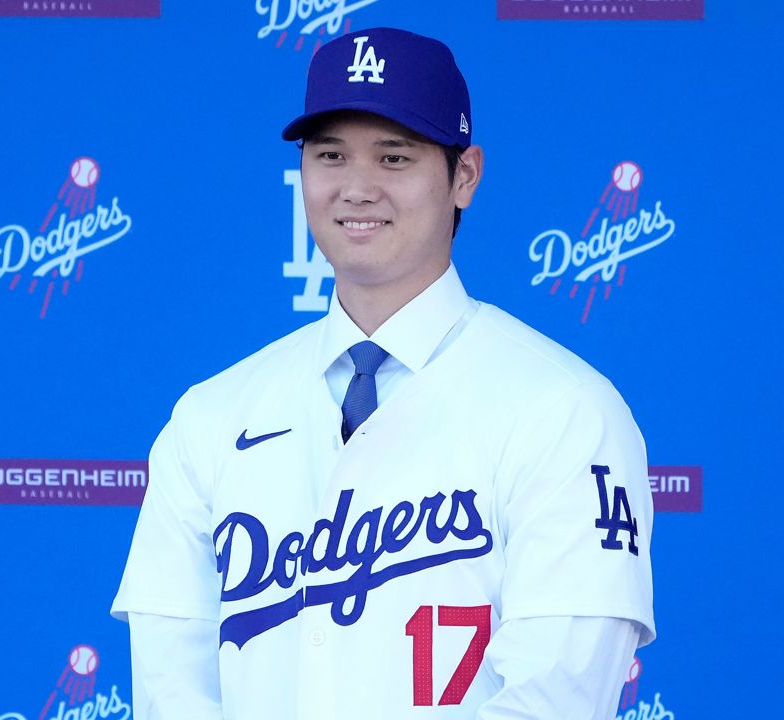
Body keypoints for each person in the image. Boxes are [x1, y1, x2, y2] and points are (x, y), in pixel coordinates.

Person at [111, 27, 654, 720]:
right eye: (329, 155)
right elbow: (172, 690)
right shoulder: (211, 415)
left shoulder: (567, 409)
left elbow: (557, 701)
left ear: (465, 176)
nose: (357, 188)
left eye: (394, 156)